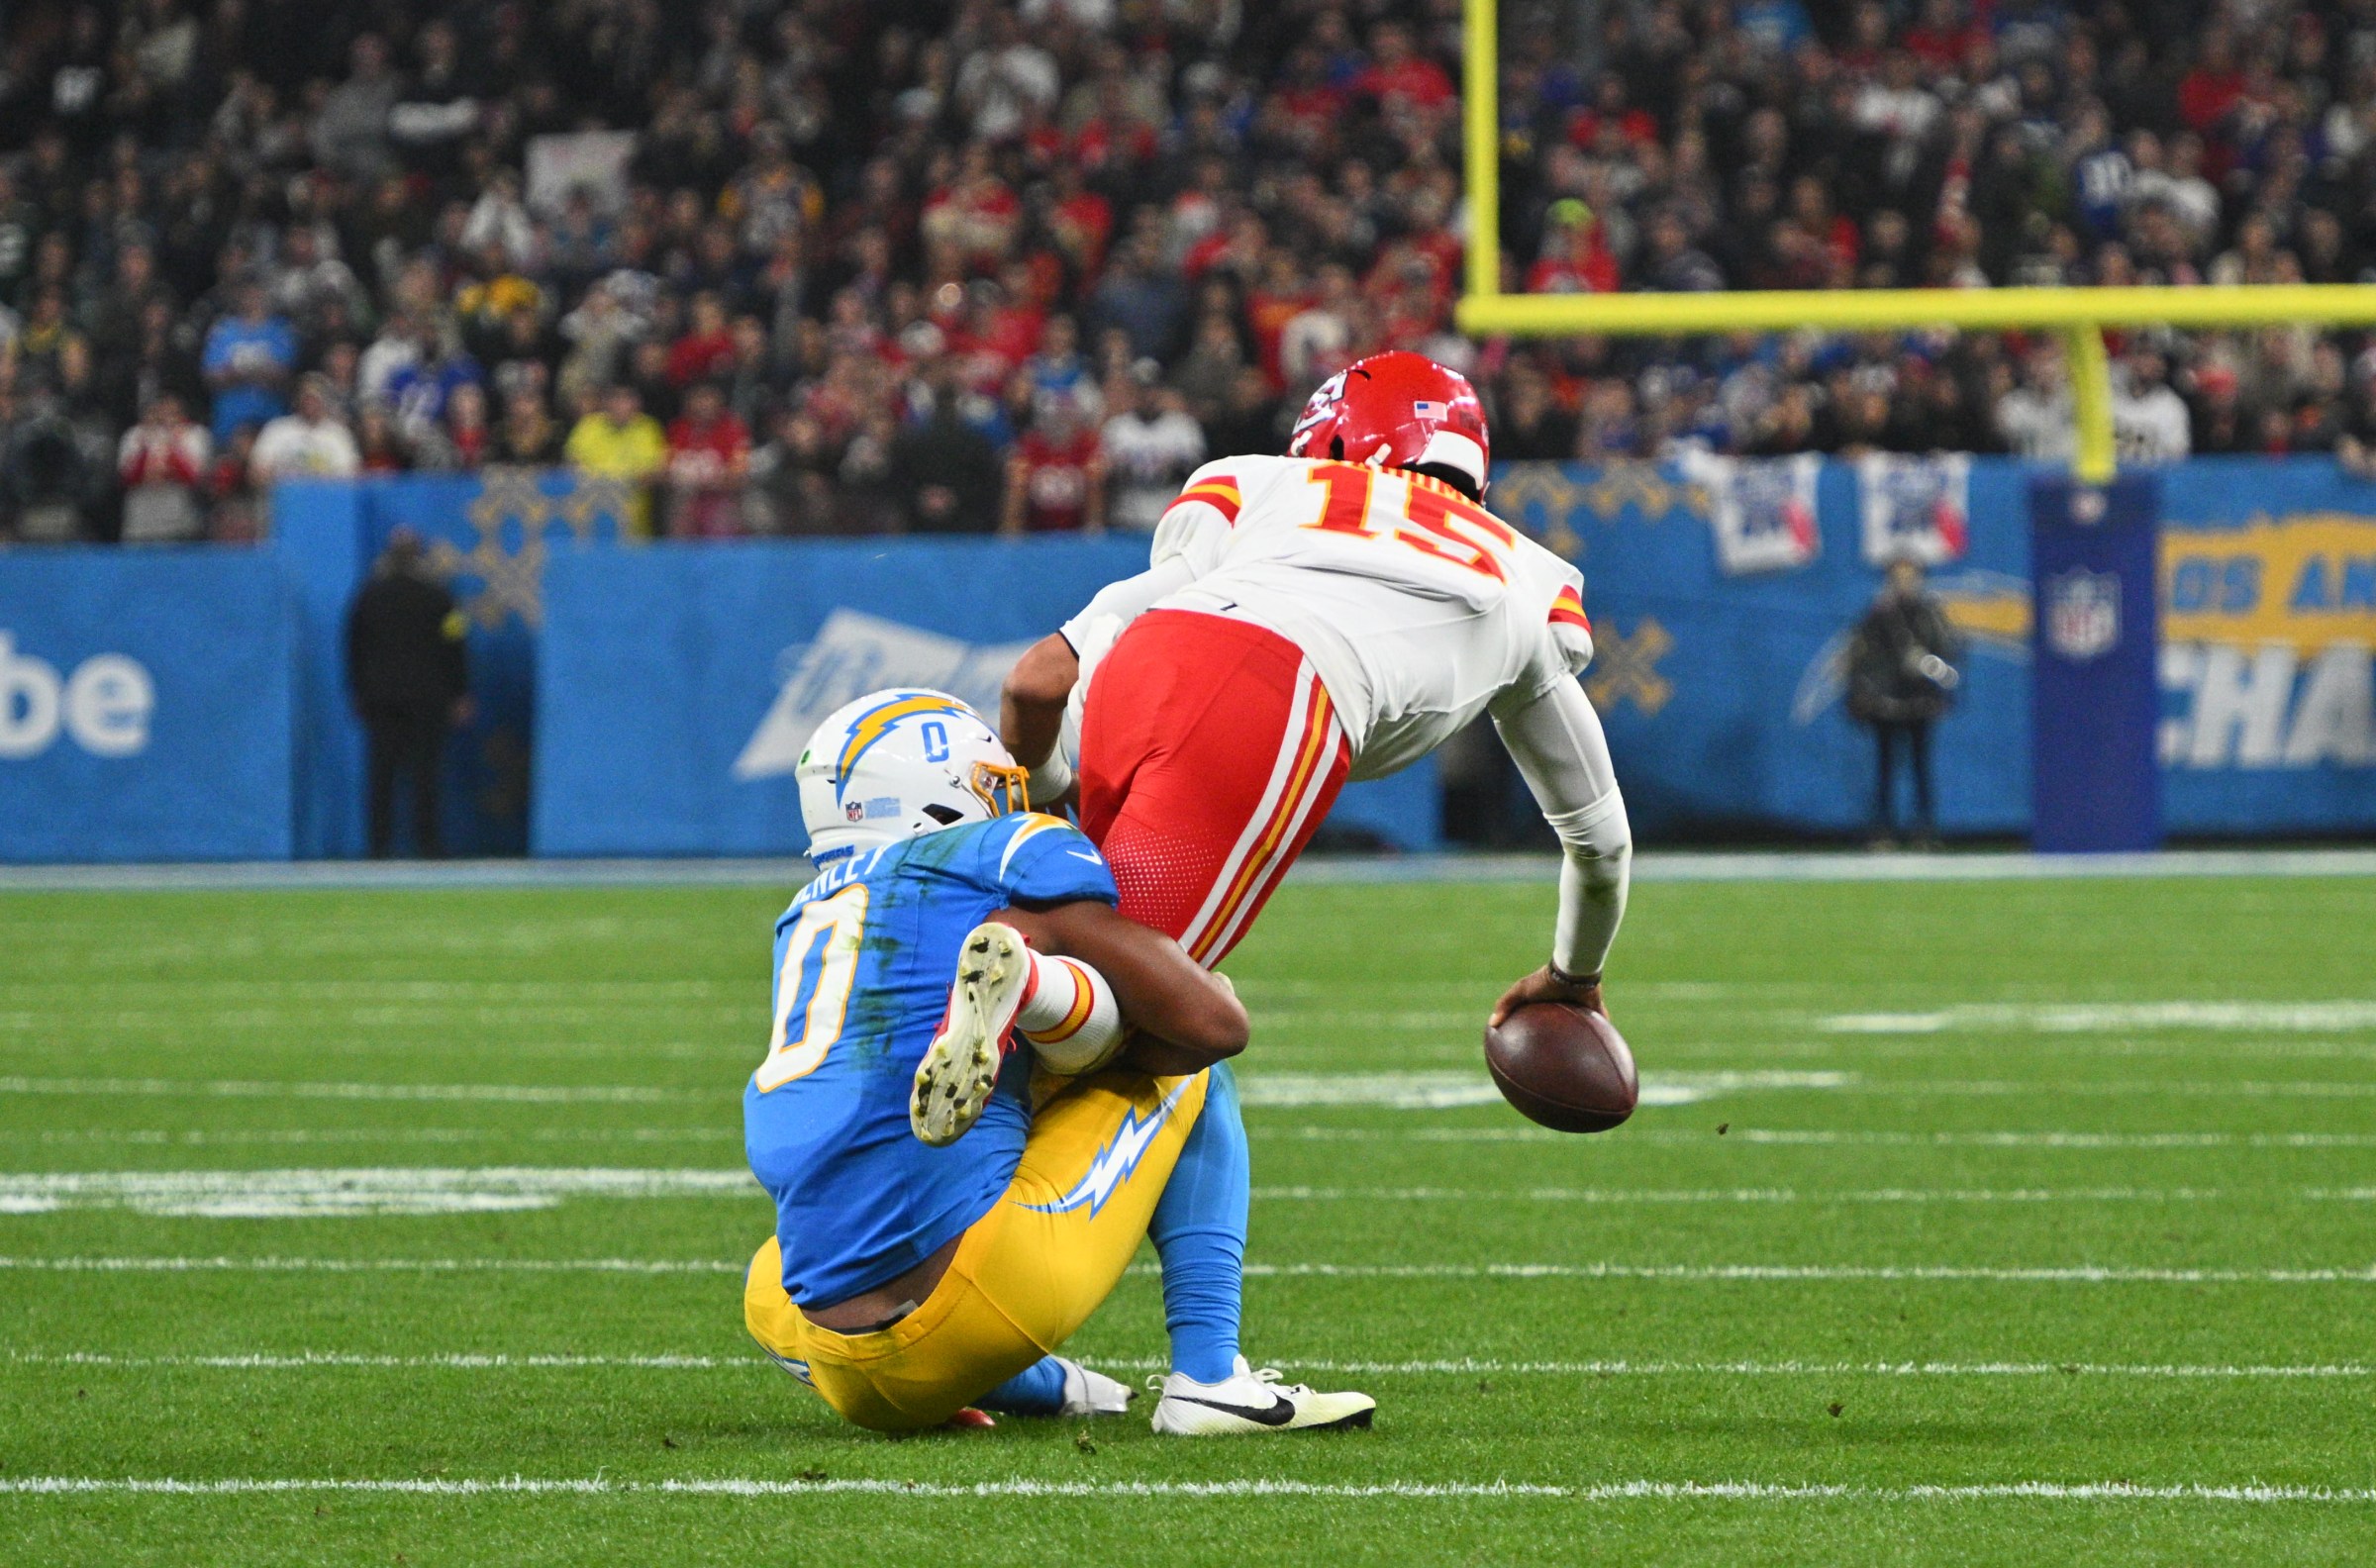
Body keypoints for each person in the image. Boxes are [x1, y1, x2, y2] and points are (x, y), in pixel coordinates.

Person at [967, 352, 1632, 1104]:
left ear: (1338, 438)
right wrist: (1574, 978)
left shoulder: (1260, 482)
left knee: (1101, 956)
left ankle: (987, 944)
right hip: (1274, 697)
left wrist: (1049, 793)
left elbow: (1040, 681)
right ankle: (1009, 957)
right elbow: (1600, 842)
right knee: (1160, 1018)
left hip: (1143, 661)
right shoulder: (1530, 574)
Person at [742, 690, 1372, 1435]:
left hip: (822, 1349)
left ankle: (1038, 1384)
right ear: (936, 794)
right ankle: (1210, 1380)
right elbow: (1214, 1025)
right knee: (1189, 1072)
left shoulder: (807, 917)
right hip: (971, 1304)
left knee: (811, 1237)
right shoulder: (1002, 850)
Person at [344, 530, 472, 858]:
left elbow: (353, 646)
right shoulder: (440, 597)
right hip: (429, 697)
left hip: (381, 698)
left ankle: (378, 846)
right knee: (426, 775)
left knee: (381, 775)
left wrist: (357, 690)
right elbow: (455, 646)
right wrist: (460, 692)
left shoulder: (368, 596)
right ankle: (428, 845)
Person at [1845, 558, 1961, 849]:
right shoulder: (1878, 615)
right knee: (1885, 768)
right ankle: (1882, 829)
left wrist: (1932, 678)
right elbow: (1861, 657)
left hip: (1920, 701)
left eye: (1911, 578)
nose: (1905, 584)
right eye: (1899, 578)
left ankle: (1924, 829)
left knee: (1921, 767)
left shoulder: (1929, 614)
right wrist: (1866, 693)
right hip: (1886, 703)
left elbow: (1948, 650)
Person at [563, 383, 670, 537]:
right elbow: (572, 466)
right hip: (590, 516)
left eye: (626, 399)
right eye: (615, 399)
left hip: (634, 522)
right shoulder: (587, 426)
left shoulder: (649, 428)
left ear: (637, 403)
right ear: (605, 402)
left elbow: (655, 472)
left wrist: (618, 484)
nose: (620, 405)